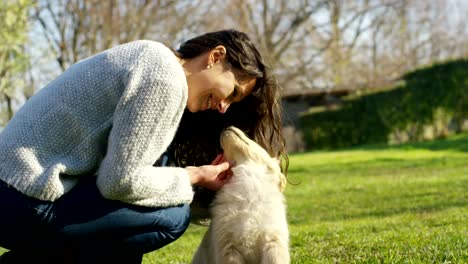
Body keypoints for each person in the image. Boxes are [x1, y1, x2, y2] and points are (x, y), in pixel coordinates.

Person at [0, 29, 288, 263]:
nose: (224, 107)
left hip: (17, 195)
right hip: (22, 199)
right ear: (215, 56)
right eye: (232, 92)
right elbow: (119, 183)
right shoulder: (164, 77)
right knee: (171, 217)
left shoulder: (153, 58)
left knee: (158, 182)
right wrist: (194, 175)